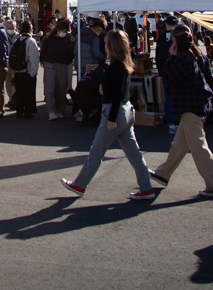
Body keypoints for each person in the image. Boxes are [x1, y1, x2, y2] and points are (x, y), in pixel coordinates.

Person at [61, 29, 154, 200]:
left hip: (115, 112)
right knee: (134, 153)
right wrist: (105, 90)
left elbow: (117, 94)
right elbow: (118, 91)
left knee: (96, 151)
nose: (104, 46)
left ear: (112, 46)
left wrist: (111, 118)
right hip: (125, 111)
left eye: (106, 43)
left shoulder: (116, 66)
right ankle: (146, 187)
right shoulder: (124, 63)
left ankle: (80, 185)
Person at [150, 28, 213, 198]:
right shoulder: (199, 56)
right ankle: (163, 173)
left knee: (199, 147)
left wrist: (171, 56)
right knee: (180, 145)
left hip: (189, 106)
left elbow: (167, 76)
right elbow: (211, 81)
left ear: (176, 43)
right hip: (199, 105)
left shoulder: (182, 59)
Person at [41, 19, 73, 121]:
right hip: (50, 64)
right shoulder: (48, 38)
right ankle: (51, 111)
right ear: (57, 29)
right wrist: (42, 59)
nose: (63, 33)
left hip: (62, 64)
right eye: (62, 30)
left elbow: (70, 52)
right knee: (49, 88)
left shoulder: (67, 39)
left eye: (65, 31)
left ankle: (60, 110)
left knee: (61, 88)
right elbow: (43, 50)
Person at [10, 20, 39, 118]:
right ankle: (28, 111)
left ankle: (19, 110)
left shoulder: (17, 40)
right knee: (29, 92)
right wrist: (33, 72)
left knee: (19, 92)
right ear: (31, 29)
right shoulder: (31, 41)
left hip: (18, 71)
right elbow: (33, 58)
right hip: (28, 71)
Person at [155, 16, 179, 134]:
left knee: (168, 98)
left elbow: (158, 56)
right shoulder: (178, 36)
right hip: (178, 72)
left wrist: (161, 71)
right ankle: (178, 122)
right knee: (178, 97)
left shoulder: (161, 36)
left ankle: (171, 124)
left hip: (165, 71)